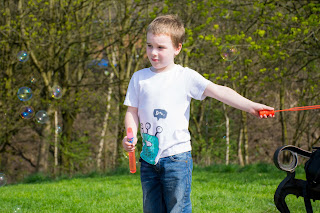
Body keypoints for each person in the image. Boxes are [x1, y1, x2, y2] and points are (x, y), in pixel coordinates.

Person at [122, 14, 274, 213]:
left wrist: (251, 106)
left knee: (178, 209)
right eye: (150, 46)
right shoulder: (139, 78)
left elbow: (220, 91)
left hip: (177, 158)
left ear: (177, 49)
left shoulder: (185, 76)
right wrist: (130, 135)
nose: (154, 52)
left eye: (161, 47)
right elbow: (132, 111)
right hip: (149, 159)